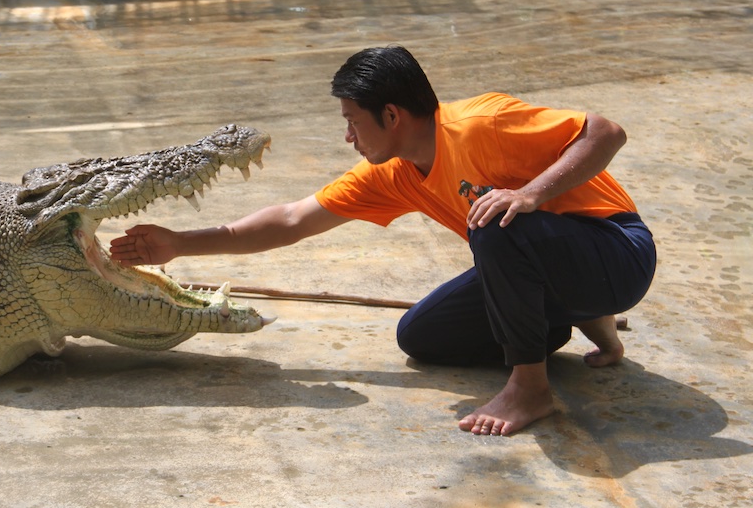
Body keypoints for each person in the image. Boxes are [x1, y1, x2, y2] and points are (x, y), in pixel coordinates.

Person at [110, 46, 656, 436]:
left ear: (391, 115)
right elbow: (291, 218)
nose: (347, 135)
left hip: (618, 253)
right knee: (423, 335)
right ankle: (579, 318)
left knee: (494, 220)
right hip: (559, 265)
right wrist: (178, 242)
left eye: (352, 121)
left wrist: (531, 193)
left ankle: (530, 387)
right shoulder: (393, 173)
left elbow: (605, 132)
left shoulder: (479, 124)